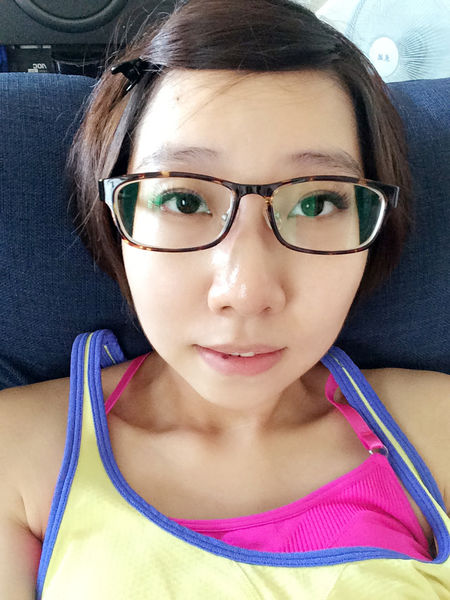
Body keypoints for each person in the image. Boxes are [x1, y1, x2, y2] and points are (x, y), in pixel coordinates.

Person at [0, 0, 449, 598]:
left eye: (316, 202)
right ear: (113, 219)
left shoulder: (437, 430)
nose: (246, 293)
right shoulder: (15, 455)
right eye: (183, 200)